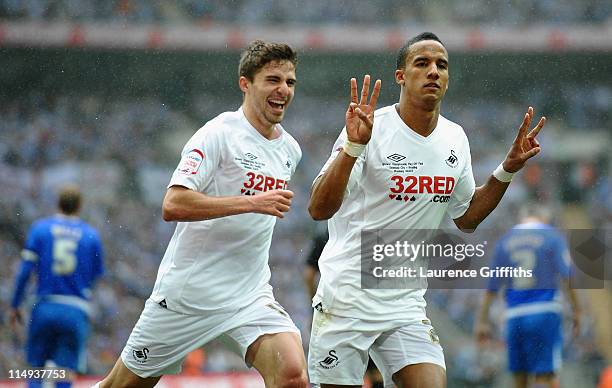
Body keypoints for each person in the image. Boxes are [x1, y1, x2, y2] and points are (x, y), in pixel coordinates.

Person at [307, 32, 546, 387]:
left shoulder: (454, 138)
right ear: (401, 76)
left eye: (442, 65)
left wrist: (506, 170)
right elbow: (318, 208)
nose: (434, 70)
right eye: (422, 63)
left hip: (404, 304)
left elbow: (466, 217)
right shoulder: (370, 127)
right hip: (347, 300)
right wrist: (354, 147)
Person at [96, 40, 308, 388]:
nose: (283, 89)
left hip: (248, 294)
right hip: (189, 295)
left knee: (292, 375)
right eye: (272, 80)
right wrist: (250, 202)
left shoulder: (290, 149)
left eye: (290, 82)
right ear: (245, 84)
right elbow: (173, 204)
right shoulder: (217, 134)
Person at [475, 205, 581, 388]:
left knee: (519, 377)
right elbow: (567, 275)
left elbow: (491, 287)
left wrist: (482, 321)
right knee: (545, 376)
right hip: (544, 312)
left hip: (514, 317)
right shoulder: (552, 236)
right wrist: (577, 310)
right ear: (543, 218)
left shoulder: (504, 241)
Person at [10, 184, 105, 388]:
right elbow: (96, 275)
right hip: (75, 309)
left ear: (58, 204)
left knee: (35, 368)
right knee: (64, 372)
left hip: (44, 305)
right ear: (79, 206)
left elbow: (25, 271)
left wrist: (15, 304)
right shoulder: (91, 236)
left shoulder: (41, 229)